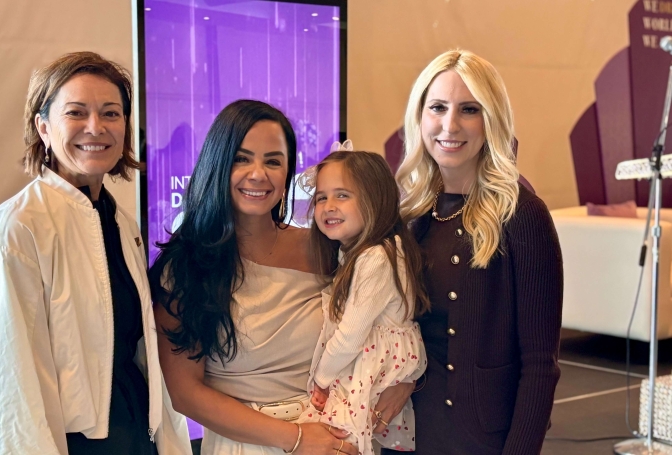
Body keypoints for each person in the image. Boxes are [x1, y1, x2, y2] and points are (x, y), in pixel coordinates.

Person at [150, 99, 415, 454]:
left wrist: (406, 379)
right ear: (217, 162)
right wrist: (298, 439)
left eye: (273, 161)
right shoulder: (186, 266)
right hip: (248, 444)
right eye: (241, 158)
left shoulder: (324, 248)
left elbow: (386, 317)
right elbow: (186, 394)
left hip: (336, 435)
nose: (258, 173)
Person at [0, 52, 189, 455]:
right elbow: (14, 390)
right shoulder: (17, 232)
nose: (95, 127)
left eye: (111, 113)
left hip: (134, 432)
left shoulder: (119, 221)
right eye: (76, 113)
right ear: (44, 127)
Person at [386, 49, 563, 454]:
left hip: (479, 438)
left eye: (469, 109)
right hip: (401, 433)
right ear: (419, 116)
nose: (450, 125)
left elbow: (540, 365)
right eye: (438, 107)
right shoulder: (405, 211)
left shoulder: (522, 214)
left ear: (492, 119)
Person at [295, 150, 428, 455]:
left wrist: (322, 380)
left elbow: (349, 336)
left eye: (342, 195)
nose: (328, 207)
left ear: (375, 199)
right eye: (321, 198)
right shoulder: (364, 252)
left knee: (334, 437)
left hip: (368, 366)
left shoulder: (375, 258)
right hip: (376, 364)